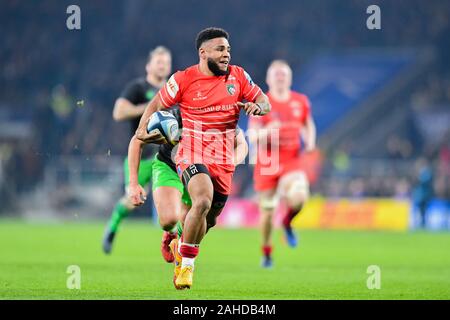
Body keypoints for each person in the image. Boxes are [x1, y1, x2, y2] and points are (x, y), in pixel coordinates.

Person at [128, 27, 271, 289]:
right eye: (220, 49)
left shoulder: (238, 76)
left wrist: (258, 106)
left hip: (222, 158)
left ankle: (180, 244)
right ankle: (187, 266)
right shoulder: (183, 79)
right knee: (202, 199)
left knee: (208, 219)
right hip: (191, 151)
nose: (226, 54)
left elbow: (264, 100)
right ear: (203, 52)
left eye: (228, 49)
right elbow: (157, 104)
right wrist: (142, 126)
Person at [102, 46, 172, 254]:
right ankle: (113, 226)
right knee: (133, 201)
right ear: (149, 65)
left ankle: (177, 245)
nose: (163, 66)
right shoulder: (138, 87)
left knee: (175, 199)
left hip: (167, 156)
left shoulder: (172, 89)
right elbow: (118, 112)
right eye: (159, 62)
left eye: (166, 62)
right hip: (141, 155)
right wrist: (149, 107)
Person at [249, 60, 316, 268]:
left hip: (291, 160)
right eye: (276, 74)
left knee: (299, 197)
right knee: (267, 214)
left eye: (283, 74)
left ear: (290, 78)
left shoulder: (300, 101)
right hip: (268, 162)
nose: (280, 77)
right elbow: (253, 136)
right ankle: (267, 252)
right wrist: (269, 131)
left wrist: (311, 141)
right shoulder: (261, 103)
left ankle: (287, 222)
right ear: (268, 79)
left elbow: (307, 123)